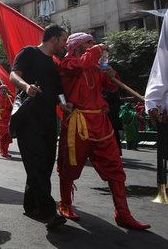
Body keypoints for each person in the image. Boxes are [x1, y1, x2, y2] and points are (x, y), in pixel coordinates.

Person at [57, 32, 150, 230]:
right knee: (69, 167)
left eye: (92, 43)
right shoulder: (68, 63)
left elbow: (110, 87)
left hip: (101, 123)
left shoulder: (94, 64)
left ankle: (123, 214)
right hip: (78, 123)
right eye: (88, 43)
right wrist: (98, 50)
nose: (93, 45)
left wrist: (111, 74)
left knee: (115, 168)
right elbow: (81, 64)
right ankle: (65, 203)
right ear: (77, 46)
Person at [9, 24, 69, 229]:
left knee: (44, 164)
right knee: (35, 163)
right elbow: (13, 75)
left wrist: (63, 103)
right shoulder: (29, 52)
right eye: (64, 40)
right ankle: (49, 212)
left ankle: (30, 204)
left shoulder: (54, 64)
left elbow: (60, 90)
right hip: (29, 117)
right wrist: (26, 86)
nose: (65, 45)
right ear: (53, 39)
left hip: (49, 120)